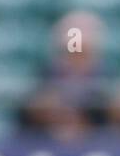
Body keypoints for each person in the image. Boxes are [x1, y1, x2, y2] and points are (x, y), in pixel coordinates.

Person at [19, 11, 110, 142]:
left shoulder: (106, 77)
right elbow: (29, 111)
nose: (77, 58)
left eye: (83, 52)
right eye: (72, 53)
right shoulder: (45, 75)